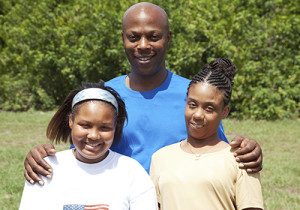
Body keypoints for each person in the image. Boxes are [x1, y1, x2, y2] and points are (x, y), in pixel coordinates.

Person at [23, 2, 263, 185]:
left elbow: (218, 151)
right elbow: (83, 153)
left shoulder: (194, 97)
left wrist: (247, 150)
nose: (143, 45)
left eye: (154, 36)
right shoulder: (105, 96)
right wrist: (42, 157)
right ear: (123, 39)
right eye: (134, 37)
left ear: (168, 38)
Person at [19, 82, 158, 210]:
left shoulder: (132, 172)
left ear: (115, 127)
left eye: (104, 128)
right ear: (71, 121)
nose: (93, 135)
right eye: (85, 125)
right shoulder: (47, 167)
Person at [150, 58, 264, 210]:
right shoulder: (160, 158)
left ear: (225, 111)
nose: (198, 114)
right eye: (192, 104)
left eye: (209, 108)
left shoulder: (241, 159)